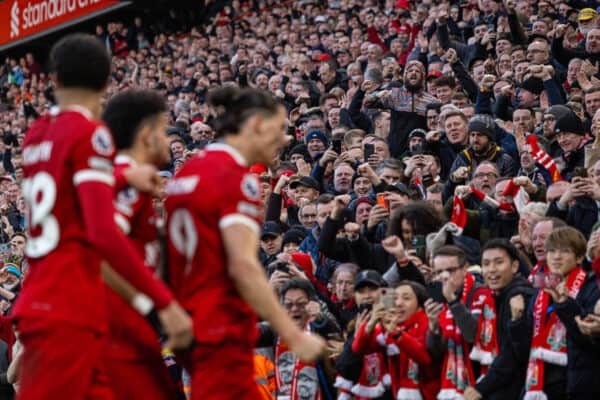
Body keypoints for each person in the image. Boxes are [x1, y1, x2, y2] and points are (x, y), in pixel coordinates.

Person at [14, 33, 192, 400]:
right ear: (107, 79)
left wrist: (119, 175)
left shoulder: (36, 133)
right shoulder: (90, 133)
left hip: (40, 297)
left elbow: (65, 195)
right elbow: (101, 231)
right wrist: (161, 303)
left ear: (54, 80)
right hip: (72, 304)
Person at [165, 86, 325, 400]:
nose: (285, 139)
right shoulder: (236, 178)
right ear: (255, 126)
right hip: (219, 327)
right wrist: (293, 333)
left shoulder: (188, 173)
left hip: (191, 324)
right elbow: (242, 265)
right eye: (279, 129)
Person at [101, 89, 180, 400]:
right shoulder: (126, 183)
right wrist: (158, 306)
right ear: (146, 135)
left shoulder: (132, 182)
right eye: (163, 130)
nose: (168, 139)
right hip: (119, 335)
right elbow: (100, 251)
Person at [511, 227, 600, 400]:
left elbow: (589, 340)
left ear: (579, 257)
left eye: (565, 251)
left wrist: (564, 303)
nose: (556, 256)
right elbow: (524, 346)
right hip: (539, 381)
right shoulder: (541, 288)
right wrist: (516, 321)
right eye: (551, 250)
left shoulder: (590, 288)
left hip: (574, 383)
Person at [464, 239, 535, 400]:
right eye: (486, 264)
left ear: (515, 266)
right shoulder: (497, 295)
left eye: (499, 262)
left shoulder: (518, 296)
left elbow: (512, 355)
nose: (492, 270)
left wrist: (482, 388)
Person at [425, 245, 492, 398]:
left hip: (480, 380)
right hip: (450, 384)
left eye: (450, 270)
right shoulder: (439, 299)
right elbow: (435, 354)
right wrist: (434, 328)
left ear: (465, 268)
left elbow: (472, 335)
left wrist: (453, 302)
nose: (444, 276)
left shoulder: (481, 293)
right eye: (438, 272)